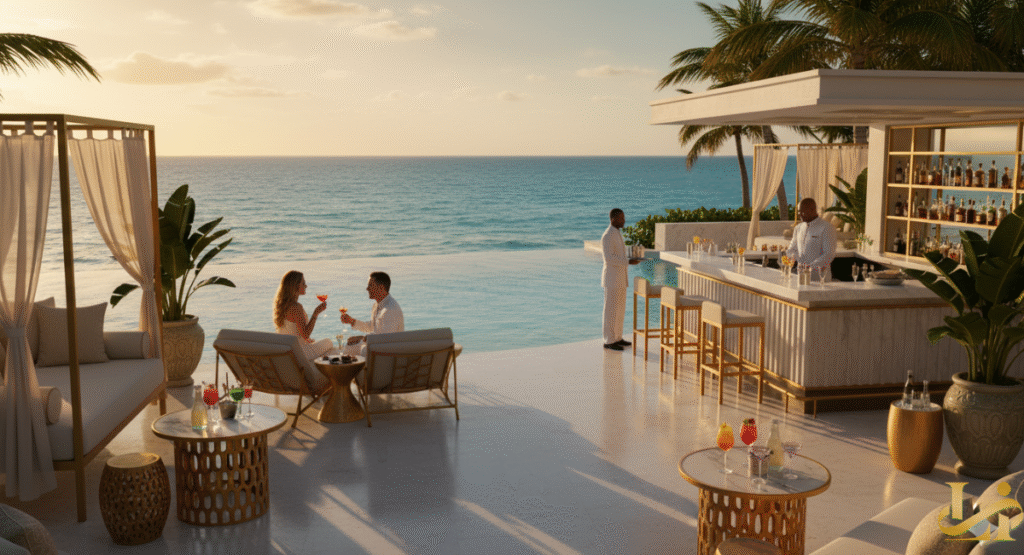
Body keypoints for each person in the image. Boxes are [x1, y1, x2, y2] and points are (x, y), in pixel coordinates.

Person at [601, 208, 640, 351]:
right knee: (611, 310)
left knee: (620, 309)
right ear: (613, 219)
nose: (624, 221)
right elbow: (609, 258)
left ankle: (617, 337)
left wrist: (631, 257)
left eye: (623, 218)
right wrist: (628, 261)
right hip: (612, 279)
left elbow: (619, 255)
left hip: (621, 279)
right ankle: (609, 340)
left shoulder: (617, 233)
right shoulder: (607, 235)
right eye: (621, 218)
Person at [273, 270, 333, 360]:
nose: (306, 286)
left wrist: (306, 341)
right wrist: (315, 313)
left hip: (287, 352)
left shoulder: (281, 305)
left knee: (314, 342)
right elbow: (305, 335)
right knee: (328, 342)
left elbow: (292, 331)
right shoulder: (296, 307)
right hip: (299, 354)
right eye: (303, 283)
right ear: (296, 286)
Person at [340, 271, 404, 354]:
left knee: (354, 348)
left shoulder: (390, 309)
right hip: (378, 346)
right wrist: (352, 321)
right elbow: (372, 327)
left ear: (381, 287)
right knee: (349, 346)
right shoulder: (378, 305)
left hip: (387, 353)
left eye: (370, 285)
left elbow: (383, 338)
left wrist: (361, 338)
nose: (367, 288)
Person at [785, 198, 837, 279]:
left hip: (819, 278)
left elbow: (829, 254)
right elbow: (791, 249)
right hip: (800, 276)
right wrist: (792, 257)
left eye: (802, 212)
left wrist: (810, 268)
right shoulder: (798, 228)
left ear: (812, 210)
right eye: (799, 212)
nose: (800, 215)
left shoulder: (827, 227)